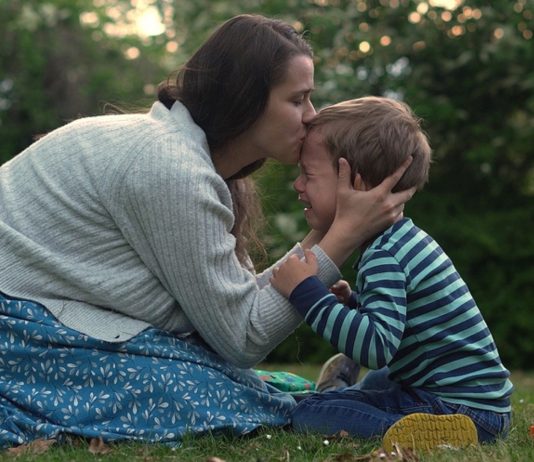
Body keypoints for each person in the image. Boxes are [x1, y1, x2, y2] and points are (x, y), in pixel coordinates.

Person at [0, 16, 414, 447]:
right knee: (213, 395)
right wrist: (342, 234)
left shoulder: (190, 162)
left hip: (44, 312)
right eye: (298, 100)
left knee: (233, 384)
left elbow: (232, 306)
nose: (311, 117)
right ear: (246, 101)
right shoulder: (172, 170)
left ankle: (341, 402)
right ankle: (350, 408)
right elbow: (241, 336)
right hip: (17, 324)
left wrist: (330, 229)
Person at [271, 96, 513, 451]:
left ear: (357, 183)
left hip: (462, 410)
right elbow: (401, 332)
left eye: (308, 175)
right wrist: (354, 304)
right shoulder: (399, 242)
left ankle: (381, 414)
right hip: (477, 402)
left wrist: (307, 293)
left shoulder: (385, 255)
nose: (298, 185)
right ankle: (342, 392)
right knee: (382, 382)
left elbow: (376, 347)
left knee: (309, 414)